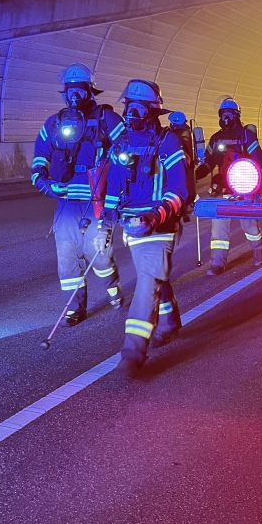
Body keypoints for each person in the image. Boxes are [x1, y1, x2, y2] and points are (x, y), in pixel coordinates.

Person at [97, 80, 190, 378]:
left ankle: (132, 353)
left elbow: (179, 190)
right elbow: (113, 189)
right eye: (129, 105)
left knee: (147, 280)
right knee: (154, 276)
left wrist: (154, 215)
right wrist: (105, 223)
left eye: (138, 107)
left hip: (160, 225)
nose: (131, 112)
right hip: (131, 225)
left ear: (153, 110)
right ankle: (170, 321)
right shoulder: (121, 144)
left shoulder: (169, 142)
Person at [31, 63, 124, 325]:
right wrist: (45, 182)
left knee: (100, 256)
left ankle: (114, 290)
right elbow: (40, 158)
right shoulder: (54, 123)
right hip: (67, 203)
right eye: (70, 90)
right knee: (67, 257)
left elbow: (127, 154)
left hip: (97, 202)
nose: (75, 95)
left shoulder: (107, 120)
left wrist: (117, 189)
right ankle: (74, 308)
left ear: (91, 91)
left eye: (80, 90)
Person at [196, 98, 262, 276]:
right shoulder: (216, 138)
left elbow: (258, 159)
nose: (226, 118)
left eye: (229, 114)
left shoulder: (246, 136)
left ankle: (258, 250)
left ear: (236, 116)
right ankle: (217, 263)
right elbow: (209, 162)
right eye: (223, 114)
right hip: (222, 190)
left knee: (250, 226)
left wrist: (244, 172)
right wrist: (197, 174)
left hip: (243, 189)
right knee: (218, 230)